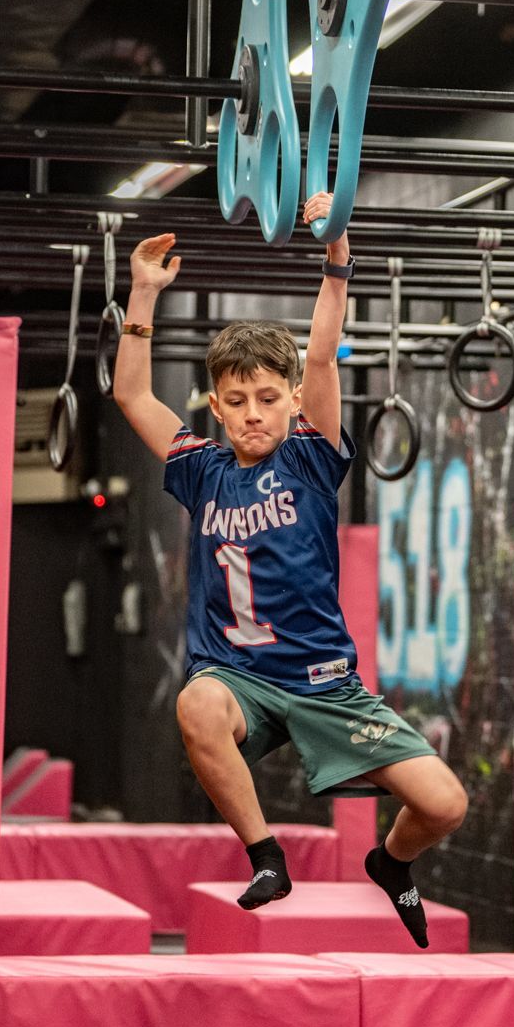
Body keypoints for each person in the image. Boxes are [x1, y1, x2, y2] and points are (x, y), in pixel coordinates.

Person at [113, 192, 468, 946]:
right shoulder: (199, 470)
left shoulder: (309, 459)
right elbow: (132, 394)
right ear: (215, 404)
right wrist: (143, 292)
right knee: (196, 707)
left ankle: (392, 863)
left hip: (325, 685)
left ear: (293, 401)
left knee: (444, 805)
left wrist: (335, 253)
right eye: (236, 401)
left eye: (268, 399)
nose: (251, 414)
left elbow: (316, 354)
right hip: (236, 677)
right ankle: (266, 854)